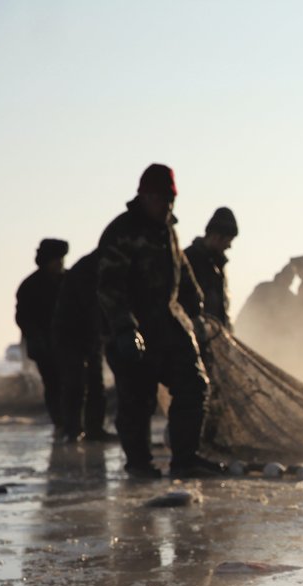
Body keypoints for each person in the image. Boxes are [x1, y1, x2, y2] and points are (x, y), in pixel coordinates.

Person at [96, 163, 221, 479]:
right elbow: (109, 285)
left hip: (170, 326)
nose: (167, 205)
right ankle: (139, 464)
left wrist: (197, 311)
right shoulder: (121, 232)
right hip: (133, 331)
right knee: (137, 401)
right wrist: (124, 328)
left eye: (170, 199)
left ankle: (185, 458)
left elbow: (184, 276)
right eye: (161, 198)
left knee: (194, 385)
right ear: (144, 196)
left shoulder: (169, 232)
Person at [52, 249, 110, 442]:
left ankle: (94, 429)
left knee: (95, 386)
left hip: (89, 337)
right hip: (71, 338)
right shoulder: (87, 271)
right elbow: (91, 306)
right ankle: (72, 430)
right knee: (74, 385)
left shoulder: (90, 269)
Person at [15, 238, 69, 431]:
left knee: (74, 384)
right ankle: (61, 424)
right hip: (44, 346)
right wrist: (37, 337)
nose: (60, 263)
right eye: (56, 259)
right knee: (53, 385)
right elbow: (23, 318)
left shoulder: (69, 281)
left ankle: (74, 423)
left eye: (61, 259)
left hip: (69, 343)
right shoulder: (30, 286)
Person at [183, 207, 238, 330]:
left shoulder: (219, 267)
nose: (229, 246)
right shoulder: (188, 261)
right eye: (228, 240)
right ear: (216, 236)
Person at [234, 263, 296, 362]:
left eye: (291, 280)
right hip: (258, 334)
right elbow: (249, 308)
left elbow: (292, 321)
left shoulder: (290, 297)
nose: (288, 282)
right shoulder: (263, 288)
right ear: (282, 275)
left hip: (277, 340)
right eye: (287, 278)